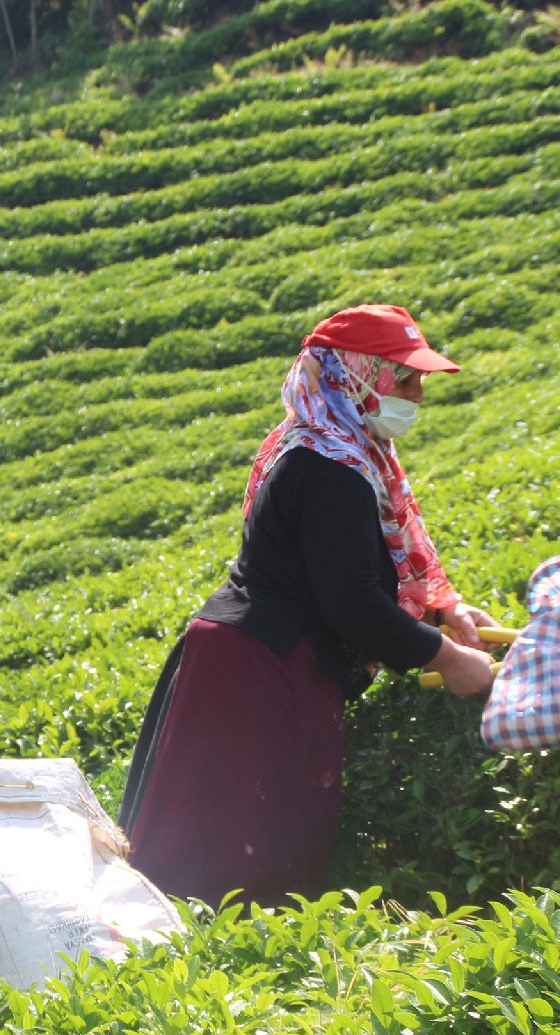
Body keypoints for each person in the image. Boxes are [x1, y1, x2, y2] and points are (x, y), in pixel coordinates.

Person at [117, 304, 498, 906]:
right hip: (260, 666)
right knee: (239, 846)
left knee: (248, 835)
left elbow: (349, 575)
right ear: (355, 376)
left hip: (262, 652)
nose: (418, 394)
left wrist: (444, 614)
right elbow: (351, 603)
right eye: (405, 377)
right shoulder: (329, 468)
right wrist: (445, 657)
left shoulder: (344, 451)